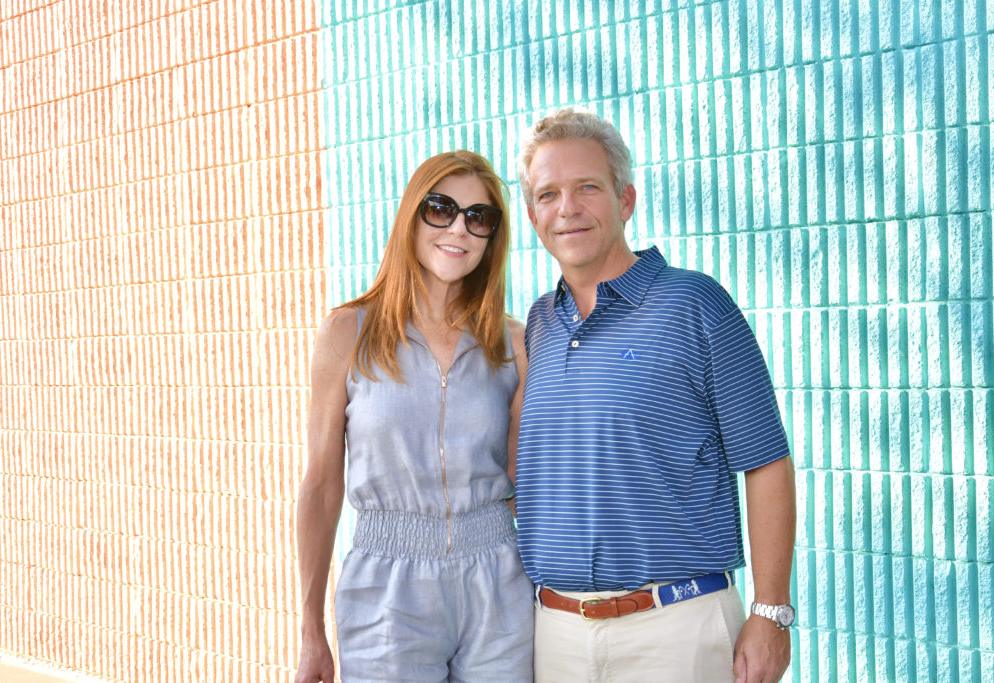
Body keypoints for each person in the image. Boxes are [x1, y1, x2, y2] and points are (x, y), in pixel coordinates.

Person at [514, 108, 797, 683]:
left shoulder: (695, 305)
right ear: (532, 215)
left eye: (587, 188)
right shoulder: (538, 325)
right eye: (548, 194)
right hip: (556, 633)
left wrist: (771, 612)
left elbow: (766, 461)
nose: (567, 208)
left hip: (676, 629)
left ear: (625, 200)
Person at [294, 150, 533, 683]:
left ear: (493, 236)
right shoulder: (348, 333)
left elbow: (526, 483)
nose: (459, 229)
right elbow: (321, 486)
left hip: (498, 578)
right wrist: (311, 629)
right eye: (440, 208)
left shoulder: (513, 343)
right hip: (387, 585)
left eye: (479, 217)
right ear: (411, 215)